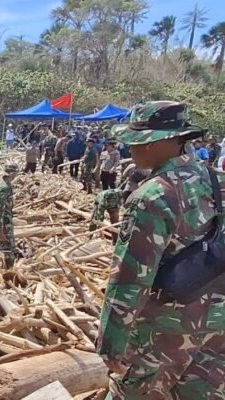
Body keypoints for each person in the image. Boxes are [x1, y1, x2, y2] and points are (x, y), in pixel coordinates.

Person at [99, 101, 225, 400]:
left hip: (161, 331)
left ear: (158, 143)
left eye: (137, 141)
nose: (131, 148)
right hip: (216, 324)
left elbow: (130, 278)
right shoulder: (217, 181)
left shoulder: (152, 196)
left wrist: (111, 342)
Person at [0, 164, 18, 269]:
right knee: (8, 247)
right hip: (4, 221)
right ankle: (8, 269)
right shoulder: (4, 187)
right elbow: (0, 208)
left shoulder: (1, 184)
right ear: (12, 173)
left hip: (3, 220)